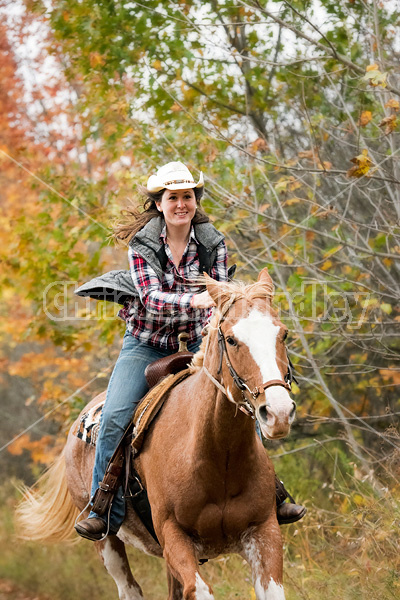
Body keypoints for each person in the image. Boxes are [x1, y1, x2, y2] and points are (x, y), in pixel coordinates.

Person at [75, 161, 305, 542]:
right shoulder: (143, 244)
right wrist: (199, 299)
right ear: (159, 204)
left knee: (247, 395)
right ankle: (103, 507)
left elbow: (222, 298)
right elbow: (150, 298)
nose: (181, 204)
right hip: (146, 342)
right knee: (116, 415)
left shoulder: (213, 241)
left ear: (195, 201)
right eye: (173, 197)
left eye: (187, 196)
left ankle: (272, 493)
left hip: (202, 338)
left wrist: (230, 313)